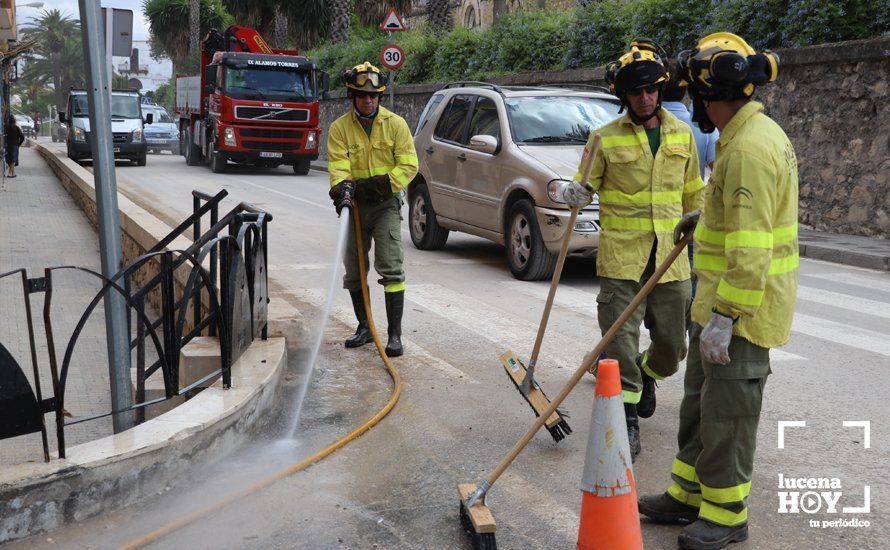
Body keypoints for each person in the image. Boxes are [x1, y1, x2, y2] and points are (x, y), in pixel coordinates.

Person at [637, 32, 797, 550]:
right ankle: (688, 496)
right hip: (716, 304)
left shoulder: (750, 147)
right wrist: (700, 218)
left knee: (727, 415)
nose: (695, 106)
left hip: (741, 313)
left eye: (698, 96)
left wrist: (726, 318)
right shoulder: (740, 136)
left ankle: (727, 516)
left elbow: (752, 248)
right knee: (700, 407)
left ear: (713, 96)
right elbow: (733, 216)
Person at [563, 39, 704, 462]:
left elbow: (693, 190)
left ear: (660, 90)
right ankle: (626, 420)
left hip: (671, 258)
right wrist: (574, 193)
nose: (644, 98)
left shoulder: (683, 133)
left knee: (672, 347)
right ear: (624, 96)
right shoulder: (603, 138)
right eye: (635, 92)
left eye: (651, 90)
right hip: (622, 258)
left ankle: (646, 375)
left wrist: (699, 218)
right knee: (620, 343)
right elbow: (584, 185)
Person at [328, 62, 418, 357]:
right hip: (353, 207)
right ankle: (365, 327)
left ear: (379, 97)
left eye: (374, 96)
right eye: (362, 95)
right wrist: (341, 189)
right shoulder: (339, 129)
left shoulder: (396, 125)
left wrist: (379, 185)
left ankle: (394, 335)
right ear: (352, 97)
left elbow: (408, 165)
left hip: (385, 204)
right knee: (354, 270)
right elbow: (339, 167)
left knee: (391, 266)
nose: (368, 100)